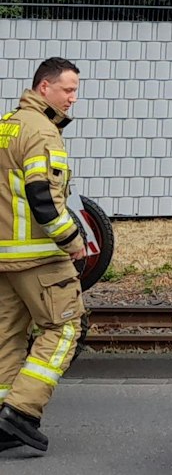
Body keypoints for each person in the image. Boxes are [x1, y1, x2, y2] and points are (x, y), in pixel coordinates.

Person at [0, 58, 88, 456]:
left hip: (4, 257)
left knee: (6, 340)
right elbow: (44, 200)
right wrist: (72, 240)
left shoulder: (7, 125)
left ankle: (2, 418)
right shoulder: (42, 132)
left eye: (74, 91)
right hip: (38, 257)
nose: (73, 98)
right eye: (67, 90)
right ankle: (20, 412)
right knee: (65, 327)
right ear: (43, 88)